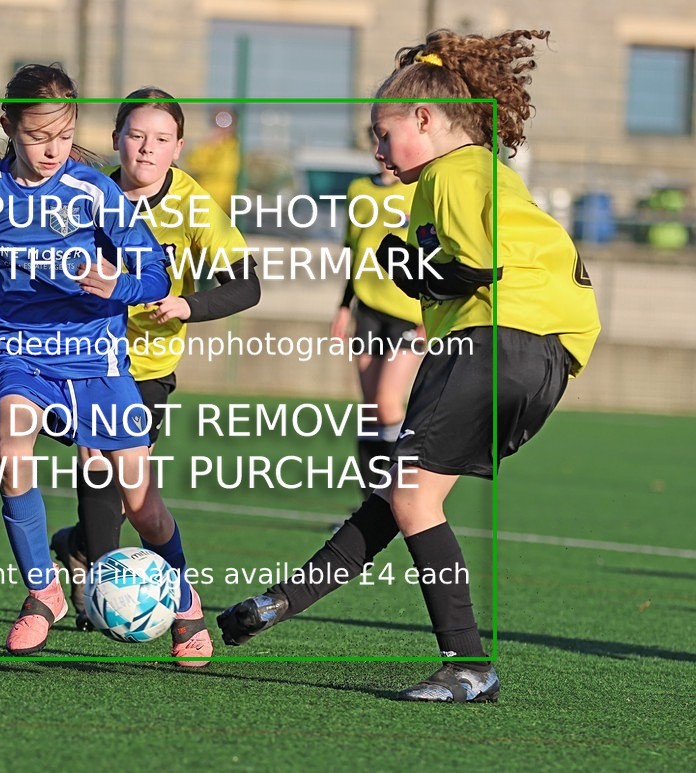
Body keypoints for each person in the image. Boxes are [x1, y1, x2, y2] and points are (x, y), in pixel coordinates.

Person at [217, 29, 601, 702]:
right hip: (550, 354)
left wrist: (410, 264)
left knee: (411, 495)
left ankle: (469, 664)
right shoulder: (486, 171)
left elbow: (478, 265)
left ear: (424, 120)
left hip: (499, 336)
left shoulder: (452, 173)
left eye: (382, 131)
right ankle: (283, 601)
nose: (376, 147)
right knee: (403, 496)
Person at [0, 65, 214, 664]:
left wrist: (117, 285)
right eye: (36, 136)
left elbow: (155, 272)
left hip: (98, 358)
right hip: (18, 351)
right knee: (10, 444)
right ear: (8, 125)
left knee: (142, 504)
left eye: (63, 133)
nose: (51, 149)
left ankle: (184, 603)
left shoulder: (95, 192)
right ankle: (43, 592)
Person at [48, 88, 260, 635]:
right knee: (98, 461)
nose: (146, 148)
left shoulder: (192, 206)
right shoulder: (84, 196)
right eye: (136, 135)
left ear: (178, 148)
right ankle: (103, 582)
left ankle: (77, 548)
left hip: (147, 367)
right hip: (81, 355)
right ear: (116, 138)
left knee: (133, 496)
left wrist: (186, 303)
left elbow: (247, 286)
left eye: (161, 139)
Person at [332, 144, 423, 495]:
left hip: (408, 313)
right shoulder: (359, 190)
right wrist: (344, 306)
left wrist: (432, 315)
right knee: (370, 411)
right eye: (376, 138)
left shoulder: (418, 190)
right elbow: (355, 254)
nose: (380, 148)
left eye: (386, 138)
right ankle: (368, 506)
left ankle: (404, 495)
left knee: (388, 404)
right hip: (367, 310)